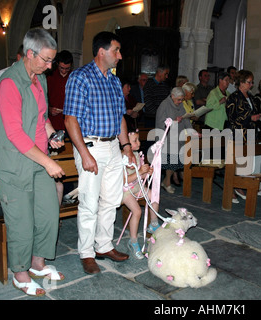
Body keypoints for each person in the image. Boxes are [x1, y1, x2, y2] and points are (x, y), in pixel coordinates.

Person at [0, 28, 65, 297]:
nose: (50, 66)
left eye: (52, 61)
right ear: (29, 54)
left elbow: (42, 116)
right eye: (46, 60)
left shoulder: (39, 79)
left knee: (48, 214)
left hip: (38, 160)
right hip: (15, 164)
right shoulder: (9, 83)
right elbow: (14, 134)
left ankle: (38, 263)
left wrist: (51, 135)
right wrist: (48, 162)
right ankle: (20, 273)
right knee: (21, 223)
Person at [64, 31, 132, 275]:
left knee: (111, 201)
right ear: (101, 51)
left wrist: (126, 147)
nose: (120, 56)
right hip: (91, 146)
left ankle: (103, 245)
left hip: (113, 146)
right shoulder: (80, 77)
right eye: (116, 50)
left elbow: (120, 118)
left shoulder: (114, 80)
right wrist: (84, 153)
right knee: (89, 204)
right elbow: (70, 120)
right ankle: (87, 253)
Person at [122, 126, 160, 259]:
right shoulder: (122, 158)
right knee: (137, 211)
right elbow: (123, 180)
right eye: (135, 140)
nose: (138, 143)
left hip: (137, 187)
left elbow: (140, 177)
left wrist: (146, 173)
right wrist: (140, 173)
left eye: (138, 140)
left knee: (154, 194)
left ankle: (153, 224)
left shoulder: (138, 155)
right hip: (125, 191)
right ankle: (133, 241)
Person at [226, 70, 261, 203]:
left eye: (252, 82)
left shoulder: (250, 97)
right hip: (239, 133)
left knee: (247, 164)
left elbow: (254, 112)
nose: (251, 85)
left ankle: (240, 186)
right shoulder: (233, 97)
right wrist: (249, 117)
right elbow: (232, 117)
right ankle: (231, 189)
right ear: (241, 82)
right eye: (249, 82)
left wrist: (258, 117)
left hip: (251, 132)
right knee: (237, 163)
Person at [155, 87, 193, 194]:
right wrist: (174, 121)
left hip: (178, 137)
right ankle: (167, 183)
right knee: (170, 162)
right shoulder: (164, 105)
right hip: (167, 138)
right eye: (178, 100)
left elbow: (185, 119)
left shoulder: (180, 105)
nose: (180, 102)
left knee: (175, 163)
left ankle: (166, 181)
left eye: (182, 99)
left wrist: (191, 131)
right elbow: (160, 123)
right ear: (172, 96)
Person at [47, 50, 73, 131]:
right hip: (53, 122)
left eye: (67, 68)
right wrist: (49, 109)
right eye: (62, 68)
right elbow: (43, 97)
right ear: (57, 64)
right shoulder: (49, 77)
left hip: (70, 123)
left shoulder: (74, 77)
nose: (64, 71)